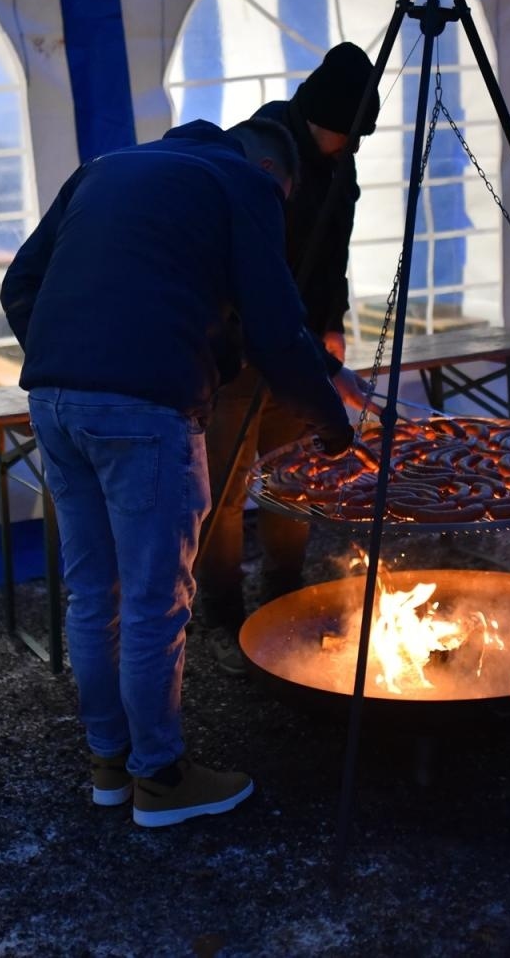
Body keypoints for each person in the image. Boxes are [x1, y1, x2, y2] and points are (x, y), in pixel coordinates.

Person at [0, 117, 356, 828]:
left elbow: (22, 282)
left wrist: (66, 358)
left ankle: (110, 765)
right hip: (146, 411)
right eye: (284, 199)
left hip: (54, 402)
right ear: (270, 171)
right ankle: (161, 779)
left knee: (93, 593)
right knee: (155, 601)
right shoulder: (244, 184)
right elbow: (276, 327)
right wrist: (331, 422)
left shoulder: (105, 167)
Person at [195, 42, 379, 674]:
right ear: (318, 118)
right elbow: (248, 273)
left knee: (293, 475)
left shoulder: (339, 166)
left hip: (299, 343)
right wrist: (312, 363)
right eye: (346, 135)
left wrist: (332, 322)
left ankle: (283, 593)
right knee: (225, 485)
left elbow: (335, 255)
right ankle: (220, 609)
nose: (351, 147)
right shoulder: (261, 157)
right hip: (240, 346)